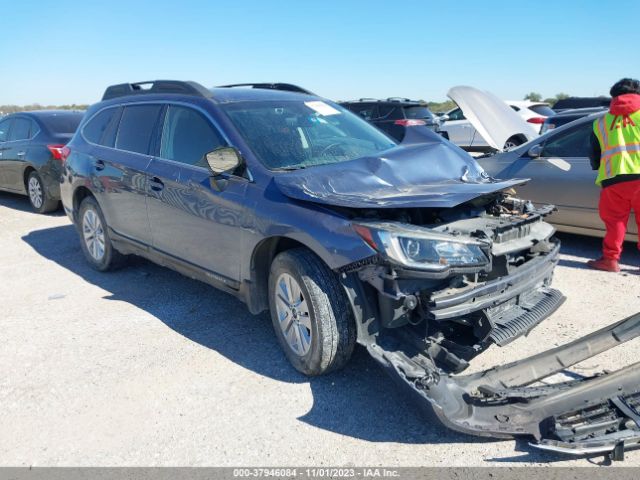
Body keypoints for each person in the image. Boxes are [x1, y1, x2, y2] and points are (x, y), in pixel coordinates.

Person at [587, 78, 640, 272]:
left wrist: (598, 168)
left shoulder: (600, 122)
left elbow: (594, 153)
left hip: (614, 179)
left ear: (614, 97)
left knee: (615, 222)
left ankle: (610, 260)